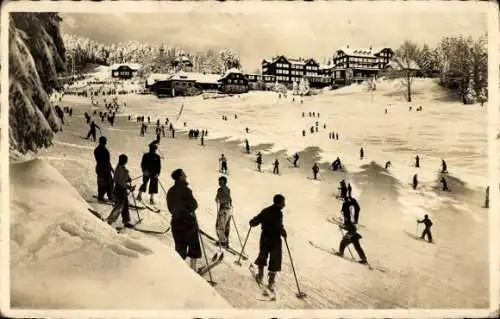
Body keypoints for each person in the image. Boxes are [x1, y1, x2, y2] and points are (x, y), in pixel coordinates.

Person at [249, 194, 287, 293]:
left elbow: (257, 220)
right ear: (278, 203)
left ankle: (263, 276)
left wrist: (252, 222)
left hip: (268, 237)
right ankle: (269, 280)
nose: (284, 205)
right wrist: (282, 232)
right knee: (274, 258)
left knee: (264, 256)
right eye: (283, 203)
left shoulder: (269, 211)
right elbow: (278, 225)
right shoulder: (276, 213)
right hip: (273, 238)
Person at [166, 169, 202, 270]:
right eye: (184, 175)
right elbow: (194, 205)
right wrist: (187, 210)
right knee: (193, 245)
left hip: (175, 222)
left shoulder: (170, 191)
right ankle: (193, 270)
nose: (186, 176)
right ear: (180, 177)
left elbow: (170, 208)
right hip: (187, 221)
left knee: (180, 248)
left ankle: (180, 272)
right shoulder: (186, 190)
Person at [106, 154, 134, 228]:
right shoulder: (120, 169)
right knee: (119, 206)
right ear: (123, 160)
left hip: (121, 190)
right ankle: (109, 221)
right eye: (125, 160)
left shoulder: (121, 167)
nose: (126, 161)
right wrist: (129, 187)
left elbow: (120, 179)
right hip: (120, 190)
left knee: (125, 206)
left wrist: (127, 179)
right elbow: (121, 183)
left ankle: (126, 221)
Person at [93, 136, 114, 201]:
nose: (105, 143)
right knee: (108, 183)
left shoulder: (97, 150)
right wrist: (110, 168)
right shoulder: (104, 150)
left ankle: (102, 195)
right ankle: (109, 196)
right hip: (104, 169)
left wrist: (111, 169)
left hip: (100, 168)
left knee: (103, 183)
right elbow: (106, 161)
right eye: (105, 142)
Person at [215, 176, 233, 249]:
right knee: (226, 226)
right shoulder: (226, 189)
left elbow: (226, 199)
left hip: (224, 209)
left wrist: (219, 200)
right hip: (228, 209)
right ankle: (225, 240)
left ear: (224, 182)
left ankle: (223, 241)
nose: (219, 182)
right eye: (219, 181)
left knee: (220, 225)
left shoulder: (222, 189)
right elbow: (229, 199)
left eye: (221, 181)